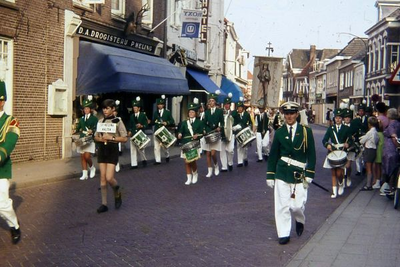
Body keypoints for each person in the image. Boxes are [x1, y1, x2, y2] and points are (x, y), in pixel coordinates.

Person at [266, 101, 316, 245]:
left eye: (292, 113)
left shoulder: (306, 131)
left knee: (297, 205)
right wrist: (270, 174)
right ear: (284, 115)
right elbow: (274, 154)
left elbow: (311, 154)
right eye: (286, 113)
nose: (289, 116)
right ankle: (283, 233)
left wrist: (310, 173)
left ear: (296, 114)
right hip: (282, 172)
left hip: (299, 174)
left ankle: (299, 219)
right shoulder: (280, 132)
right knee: (282, 205)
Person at [94, 99, 128, 213]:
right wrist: (100, 138)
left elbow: (124, 138)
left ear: (113, 109)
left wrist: (112, 138)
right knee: (102, 179)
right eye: (103, 108)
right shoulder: (100, 121)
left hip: (112, 149)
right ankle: (104, 204)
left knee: (109, 178)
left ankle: (116, 190)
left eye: (107, 108)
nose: (105, 110)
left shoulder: (117, 121)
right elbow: (96, 136)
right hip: (102, 149)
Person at [0, 80, 21, 244]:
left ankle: (14, 226)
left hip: (1, 168)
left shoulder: (11, 121)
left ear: (3, 101)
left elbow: (10, 142)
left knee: (3, 205)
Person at [322, 108, 352, 198]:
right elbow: (324, 140)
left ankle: (341, 183)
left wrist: (348, 144)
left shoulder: (346, 128)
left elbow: (350, 140)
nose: (337, 119)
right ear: (334, 119)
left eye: (339, 118)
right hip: (333, 151)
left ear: (342, 119)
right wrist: (327, 144)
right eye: (336, 118)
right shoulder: (331, 129)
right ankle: (334, 191)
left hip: (342, 151)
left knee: (339, 172)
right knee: (333, 172)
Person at [177, 99, 205, 185]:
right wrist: (180, 134)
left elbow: (202, 133)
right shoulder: (184, 123)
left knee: (192, 160)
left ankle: (195, 174)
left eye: (192, 112)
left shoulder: (199, 122)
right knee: (186, 161)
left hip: (194, 144)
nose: (191, 114)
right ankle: (188, 177)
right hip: (186, 143)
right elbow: (180, 131)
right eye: (189, 112)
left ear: (195, 113)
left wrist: (198, 136)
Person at [75, 95, 98, 180]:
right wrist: (74, 129)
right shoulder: (81, 119)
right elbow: (78, 128)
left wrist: (92, 131)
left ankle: (92, 168)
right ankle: (84, 173)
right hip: (82, 138)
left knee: (87, 156)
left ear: (90, 109)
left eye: (87, 108)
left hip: (89, 139)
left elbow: (96, 128)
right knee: (82, 156)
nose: (86, 110)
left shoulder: (94, 118)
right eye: (85, 109)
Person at [203, 91, 224, 177]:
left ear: (215, 102)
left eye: (212, 101)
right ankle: (209, 170)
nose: (211, 102)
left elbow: (222, 123)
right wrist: (204, 130)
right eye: (210, 101)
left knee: (213, 153)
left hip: (215, 134)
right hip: (208, 134)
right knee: (207, 153)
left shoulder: (219, 111)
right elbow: (204, 123)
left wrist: (220, 127)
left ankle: (216, 165)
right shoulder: (206, 112)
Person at [381, 108, 400, 194]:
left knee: (390, 168)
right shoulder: (398, 123)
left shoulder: (392, 125)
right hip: (391, 149)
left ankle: (390, 187)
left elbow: (394, 137)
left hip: (390, 149)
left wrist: (398, 146)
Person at [153, 95, 175, 164]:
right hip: (156, 131)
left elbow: (172, 121)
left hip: (164, 131)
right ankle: (157, 160)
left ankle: (167, 155)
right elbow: (154, 121)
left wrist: (167, 122)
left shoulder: (167, 112)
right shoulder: (155, 113)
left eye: (161, 104)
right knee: (156, 147)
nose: (159, 106)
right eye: (158, 104)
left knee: (164, 147)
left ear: (163, 105)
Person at [359, 116, 379, 190]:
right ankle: (372, 182)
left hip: (369, 149)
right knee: (372, 167)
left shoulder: (370, 132)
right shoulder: (376, 132)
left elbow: (362, 141)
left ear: (369, 124)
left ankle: (368, 185)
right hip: (374, 150)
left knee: (368, 168)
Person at [128, 97, 149, 169]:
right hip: (133, 134)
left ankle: (144, 160)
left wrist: (141, 126)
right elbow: (130, 125)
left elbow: (146, 124)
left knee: (141, 149)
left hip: (140, 134)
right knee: (133, 149)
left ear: (139, 108)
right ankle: (134, 164)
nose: (134, 109)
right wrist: (129, 131)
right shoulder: (131, 116)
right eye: (134, 108)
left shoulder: (143, 115)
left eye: (136, 108)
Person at [232, 97, 252, 167]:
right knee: (238, 146)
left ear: (243, 108)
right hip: (238, 133)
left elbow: (250, 122)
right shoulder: (235, 114)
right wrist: (235, 111)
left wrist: (250, 128)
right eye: (238, 107)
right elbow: (232, 116)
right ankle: (239, 162)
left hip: (245, 132)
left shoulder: (246, 114)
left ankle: (245, 158)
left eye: (240, 107)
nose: (239, 109)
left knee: (245, 147)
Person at [352, 103, 369, 176]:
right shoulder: (356, 120)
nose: (361, 112)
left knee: (364, 155)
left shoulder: (368, 119)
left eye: (362, 111)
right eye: (360, 111)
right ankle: (359, 170)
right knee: (358, 155)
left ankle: (364, 167)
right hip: (358, 139)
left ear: (364, 112)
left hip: (365, 138)